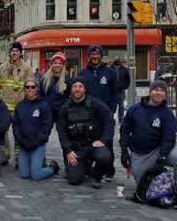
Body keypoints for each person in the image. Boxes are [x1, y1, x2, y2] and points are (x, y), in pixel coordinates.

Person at [120, 80, 177, 210]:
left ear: (165, 95)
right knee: (145, 191)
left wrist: (161, 158)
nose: (158, 93)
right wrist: (124, 150)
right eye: (156, 90)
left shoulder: (167, 114)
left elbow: (169, 138)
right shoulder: (135, 109)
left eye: (162, 91)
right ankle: (164, 183)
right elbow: (125, 129)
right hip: (139, 154)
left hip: (158, 151)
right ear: (150, 91)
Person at [56, 77, 114, 189]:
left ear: (85, 89)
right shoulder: (65, 108)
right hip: (76, 149)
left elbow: (109, 119)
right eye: (74, 87)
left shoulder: (95, 104)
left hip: (94, 144)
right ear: (71, 89)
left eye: (80, 86)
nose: (77, 89)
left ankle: (97, 177)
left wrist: (104, 140)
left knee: (105, 157)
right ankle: (86, 167)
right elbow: (61, 131)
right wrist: (68, 151)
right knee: (74, 180)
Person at [78, 45, 119, 180]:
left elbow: (115, 92)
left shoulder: (110, 72)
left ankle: (109, 170)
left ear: (101, 55)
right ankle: (90, 168)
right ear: (88, 56)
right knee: (88, 140)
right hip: (88, 114)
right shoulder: (83, 73)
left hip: (105, 113)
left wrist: (111, 110)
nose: (94, 56)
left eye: (97, 54)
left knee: (107, 141)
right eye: (92, 54)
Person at [13, 77, 59, 180]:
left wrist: (36, 142)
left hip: (38, 144)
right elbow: (15, 126)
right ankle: (35, 164)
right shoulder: (19, 107)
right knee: (24, 175)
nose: (30, 89)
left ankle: (52, 168)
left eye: (33, 87)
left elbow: (46, 128)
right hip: (24, 144)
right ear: (24, 89)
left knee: (36, 175)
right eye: (27, 87)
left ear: (37, 89)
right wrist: (21, 140)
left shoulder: (44, 106)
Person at [0, 41, 33, 166]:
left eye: (17, 50)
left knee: (19, 133)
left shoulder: (27, 68)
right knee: (2, 133)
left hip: (20, 108)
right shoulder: (2, 68)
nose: (14, 52)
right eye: (12, 50)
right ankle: (4, 156)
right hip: (4, 107)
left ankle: (18, 158)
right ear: (9, 53)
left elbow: (31, 88)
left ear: (20, 53)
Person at [39, 51, 71, 124]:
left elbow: (69, 96)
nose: (57, 65)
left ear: (63, 65)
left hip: (62, 113)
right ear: (51, 64)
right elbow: (41, 95)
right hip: (47, 112)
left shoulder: (68, 80)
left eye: (60, 63)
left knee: (63, 134)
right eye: (55, 63)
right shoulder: (44, 79)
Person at [110, 57, 131, 123]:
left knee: (121, 106)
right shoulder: (110, 69)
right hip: (112, 91)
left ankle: (121, 119)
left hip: (121, 90)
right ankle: (111, 118)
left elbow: (128, 79)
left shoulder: (124, 69)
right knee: (112, 105)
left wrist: (125, 87)